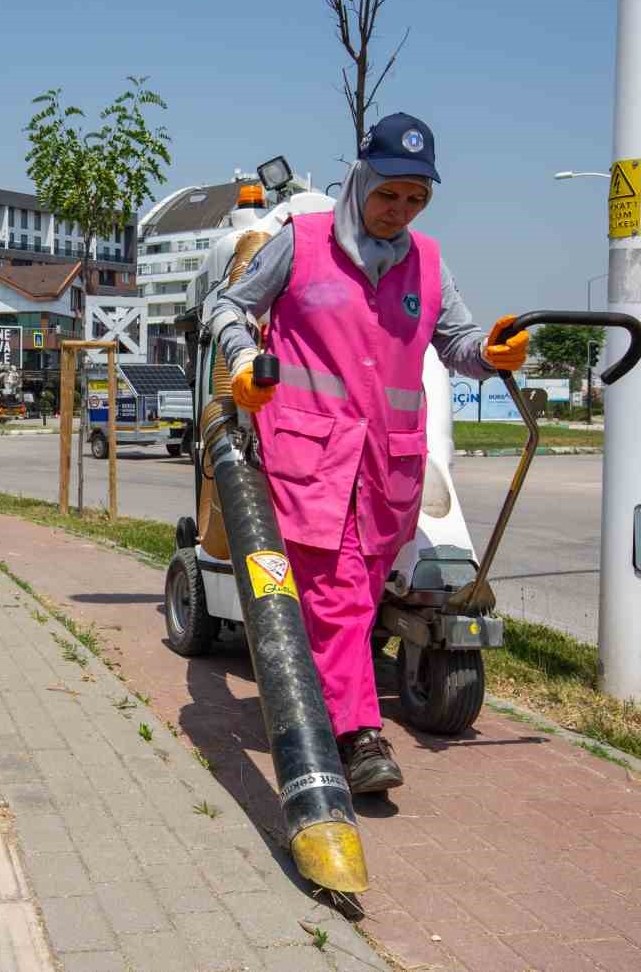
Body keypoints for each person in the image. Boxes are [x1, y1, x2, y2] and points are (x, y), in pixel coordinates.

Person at [210, 112, 529, 795]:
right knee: (338, 596)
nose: (399, 211)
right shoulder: (302, 242)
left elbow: (459, 345)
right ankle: (359, 736)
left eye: (415, 200)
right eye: (389, 194)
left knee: (353, 596)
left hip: (390, 467)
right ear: (360, 179)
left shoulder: (430, 263)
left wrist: (493, 355)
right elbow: (228, 307)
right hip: (309, 457)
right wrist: (243, 359)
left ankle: (327, 709)